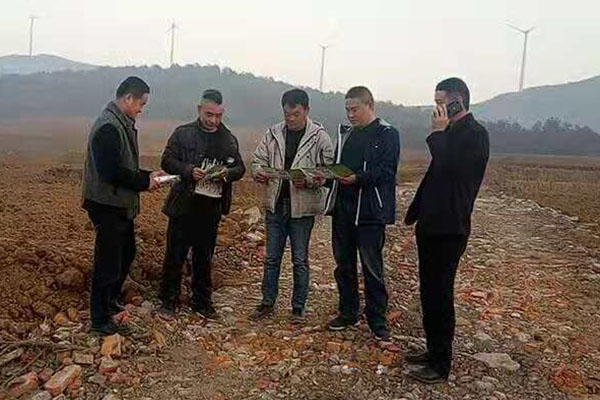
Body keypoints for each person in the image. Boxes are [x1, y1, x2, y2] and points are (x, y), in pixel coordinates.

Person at [404, 78, 490, 384]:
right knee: (429, 293)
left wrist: (438, 134)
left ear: (458, 101)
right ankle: (432, 350)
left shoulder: (475, 134)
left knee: (440, 295)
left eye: (441, 102)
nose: (437, 108)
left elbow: (450, 168)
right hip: (431, 225)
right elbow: (435, 176)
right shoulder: (452, 132)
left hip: (449, 228)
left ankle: (441, 364)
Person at [82, 76, 165, 336]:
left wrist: (148, 176)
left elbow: (123, 166)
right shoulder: (108, 127)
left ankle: (110, 302)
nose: (141, 110)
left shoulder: (119, 123)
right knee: (108, 262)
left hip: (118, 204)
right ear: (128, 98)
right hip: (107, 204)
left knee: (126, 253)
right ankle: (99, 319)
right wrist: (144, 182)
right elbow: (110, 172)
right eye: (141, 104)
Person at [158, 89, 245, 319]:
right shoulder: (183, 134)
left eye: (218, 115)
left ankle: (202, 302)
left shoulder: (228, 139)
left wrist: (227, 173)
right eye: (209, 114)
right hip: (184, 203)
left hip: (211, 207)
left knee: (204, 257)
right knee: (175, 254)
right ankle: (168, 300)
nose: (213, 120)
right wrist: (188, 170)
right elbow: (167, 160)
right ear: (199, 110)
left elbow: (240, 168)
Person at [249, 88, 334, 323]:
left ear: (306, 110)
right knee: (272, 259)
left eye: (296, 114)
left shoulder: (320, 137)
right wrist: (259, 172)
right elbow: (258, 160)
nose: (291, 119)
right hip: (276, 204)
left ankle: (298, 307)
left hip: (302, 208)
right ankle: (267, 302)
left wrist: (310, 180)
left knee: (300, 259)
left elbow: (329, 171)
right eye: (287, 114)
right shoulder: (273, 133)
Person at [324, 86, 400, 341]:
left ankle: (377, 320)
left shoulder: (387, 134)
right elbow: (337, 168)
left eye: (355, 109)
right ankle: (348, 313)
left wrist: (358, 178)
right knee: (343, 265)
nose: (350, 115)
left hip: (369, 212)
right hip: (343, 210)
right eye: (347, 110)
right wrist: (323, 178)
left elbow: (387, 172)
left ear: (370, 105)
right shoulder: (345, 134)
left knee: (372, 268)